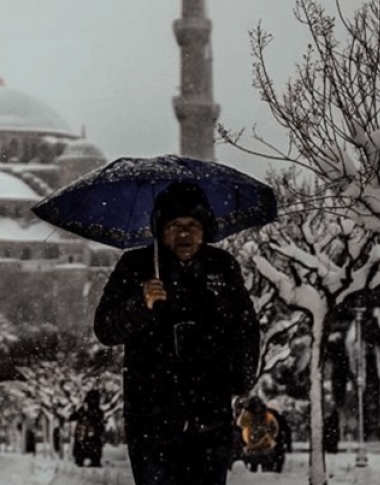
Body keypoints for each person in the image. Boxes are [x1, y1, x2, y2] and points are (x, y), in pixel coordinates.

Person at [93, 181, 261, 485]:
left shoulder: (221, 267)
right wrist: (139, 305)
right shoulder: (137, 266)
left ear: (204, 228)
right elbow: (105, 328)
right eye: (174, 225)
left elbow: (246, 328)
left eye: (192, 225)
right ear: (160, 228)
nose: (184, 233)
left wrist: (238, 378)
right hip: (151, 417)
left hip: (210, 415)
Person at [238, 396, 279, 472]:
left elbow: (274, 428)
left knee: (264, 465)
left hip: (263, 444)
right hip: (253, 444)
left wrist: (269, 437)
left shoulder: (267, 416)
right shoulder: (248, 416)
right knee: (255, 466)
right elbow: (240, 423)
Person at [68, 389, 106, 467]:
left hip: (85, 434)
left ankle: (84, 461)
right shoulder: (95, 411)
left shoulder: (87, 410)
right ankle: (91, 461)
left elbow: (73, 416)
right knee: (92, 450)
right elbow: (74, 416)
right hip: (89, 434)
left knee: (84, 449)